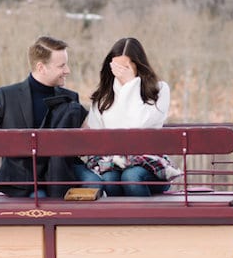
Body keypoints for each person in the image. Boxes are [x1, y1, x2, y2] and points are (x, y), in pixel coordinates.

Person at [0, 36, 86, 198]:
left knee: (99, 183)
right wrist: (5, 142)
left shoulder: (71, 98)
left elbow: (86, 137)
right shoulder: (7, 96)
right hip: (23, 181)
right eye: (62, 66)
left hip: (61, 177)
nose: (67, 70)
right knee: (40, 199)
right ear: (41, 67)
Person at [75, 37, 180, 197]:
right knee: (110, 179)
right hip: (112, 161)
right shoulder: (103, 96)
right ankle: (118, 221)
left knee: (131, 177)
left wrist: (130, 85)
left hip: (148, 163)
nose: (120, 72)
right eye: (116, 67)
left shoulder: (158, 90)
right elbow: (96, 134)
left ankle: (145, 221)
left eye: (125, 67)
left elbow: (140, 123)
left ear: (138, 66)